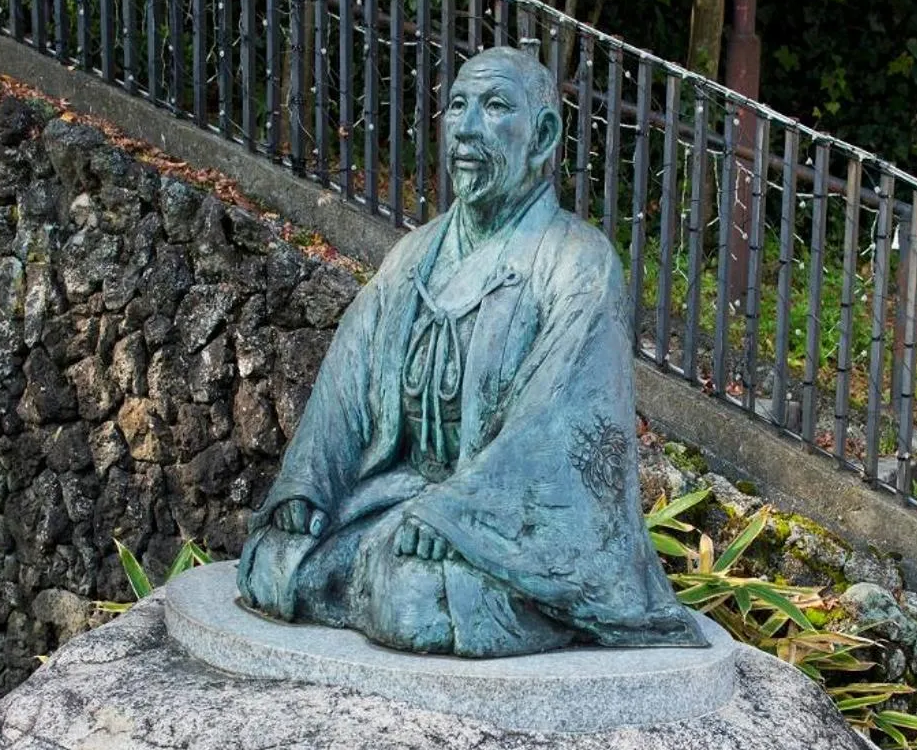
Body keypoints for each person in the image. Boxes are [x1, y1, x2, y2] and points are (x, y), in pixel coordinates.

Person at [236, 45, 704, 657]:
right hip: (399, 498)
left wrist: (457, 518)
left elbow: (557, 427)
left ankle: (546, 610)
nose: (467, 128)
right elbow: (345, 387)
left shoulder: (576, 263)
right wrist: (309, 489)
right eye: (458, 106)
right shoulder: (415, 254)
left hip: (510, 528)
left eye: (494, 107)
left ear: (542, 136)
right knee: (276, 563)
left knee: (411, 599)